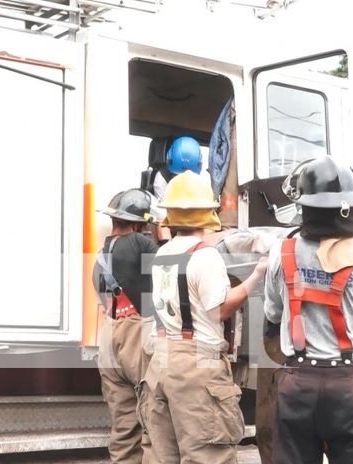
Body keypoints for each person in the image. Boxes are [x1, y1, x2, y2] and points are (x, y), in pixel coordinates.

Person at [263, 156, 353, 464]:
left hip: (297, 382)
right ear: (346, 208)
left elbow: (273, 315)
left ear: (305, 206)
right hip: (348, 388)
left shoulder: (282, 251)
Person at [139, 170, 267, 463]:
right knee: (207, 455)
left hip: (160, 362)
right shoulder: (205, 256)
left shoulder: (162, 254)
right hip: (196, 365)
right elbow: (220, 309)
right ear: (208, 211)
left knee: (161, 455)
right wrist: (256, 277)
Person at [92, 188, 159, 464]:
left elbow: (101, 293)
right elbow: (170, 276)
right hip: (136, 334)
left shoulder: (101, 254)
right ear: (138, 224)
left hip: (109, 335)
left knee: (123, 426)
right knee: (154, 418)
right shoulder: (142, 245)